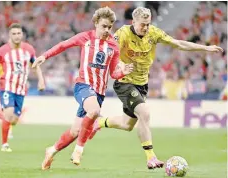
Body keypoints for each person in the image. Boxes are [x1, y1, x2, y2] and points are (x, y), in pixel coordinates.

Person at [88, 7, 224, 169]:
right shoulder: (123, 33)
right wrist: (121, 64)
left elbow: (178, 43)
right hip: (124, 82)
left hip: (142, 84)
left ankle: (99, 122)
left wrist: (205, 48)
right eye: (142, 25)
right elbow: (110, 51)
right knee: (144, 112)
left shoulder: (154, 33)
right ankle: (151, 157)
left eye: (148, 24)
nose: (145, 28)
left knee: (127, 124)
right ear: (134, 22)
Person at [31, 7, 133, 170]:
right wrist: (44, 56)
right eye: (104, 26)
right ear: (96, 24)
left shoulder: (113, 46)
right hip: (83, 86)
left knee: (75, 131)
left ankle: (52, 150)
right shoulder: (85, 37)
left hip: (99, 93)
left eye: (109, 27)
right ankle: (78, 151)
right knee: (94, 112)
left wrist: (123, 72)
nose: (107, 30)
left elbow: (113, 73)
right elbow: (63, 45)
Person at [0, 23, 45, 152]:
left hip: (20, 89)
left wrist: (41, 80)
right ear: (9, 35)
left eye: (19, 33)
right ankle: (4, 145)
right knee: (8, 113)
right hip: (6, 87)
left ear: (22, 34)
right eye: (14, 34)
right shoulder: (2, 51)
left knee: (13, 120)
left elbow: (35, 65)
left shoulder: (28, 49)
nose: (17, 36)